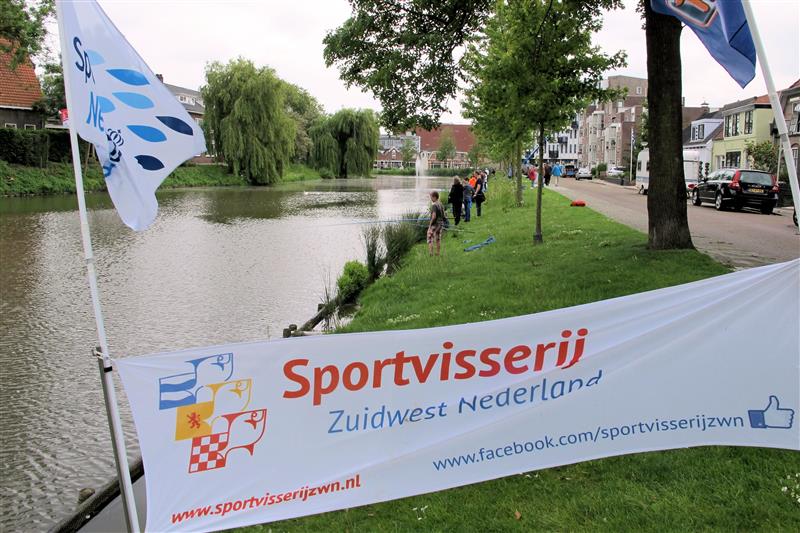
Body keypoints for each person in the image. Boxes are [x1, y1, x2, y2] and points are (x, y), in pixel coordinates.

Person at [427, 191, 445, 256]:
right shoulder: (440, 204)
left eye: (431, 197)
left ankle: (431, 253)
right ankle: (438, 253)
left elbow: (434, 216)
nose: (431, 199)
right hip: (440, 224)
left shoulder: (434, 205)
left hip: (435, 225)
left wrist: (430, 225)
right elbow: (443, 215)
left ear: (434, 197)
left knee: (430, 238)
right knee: (438, 239)